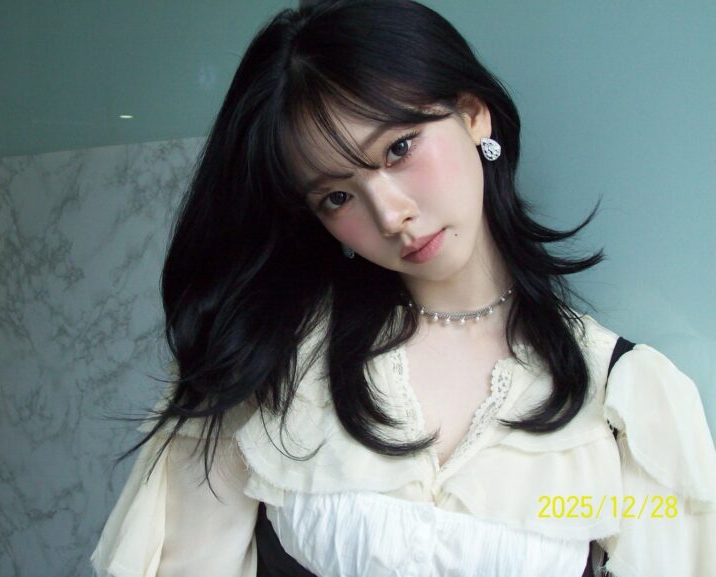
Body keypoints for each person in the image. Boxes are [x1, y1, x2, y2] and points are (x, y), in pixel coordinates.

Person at [89, 1, 716, 576]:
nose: (390, 216)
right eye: (337, 197)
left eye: (399, 149)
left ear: (472, 114)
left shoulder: (624, 401)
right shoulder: (270, 358)